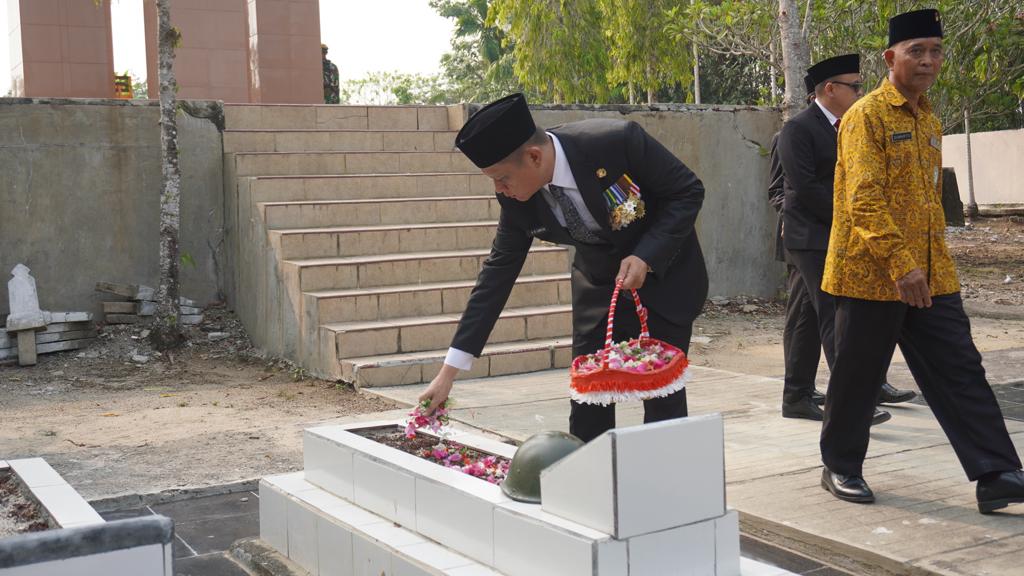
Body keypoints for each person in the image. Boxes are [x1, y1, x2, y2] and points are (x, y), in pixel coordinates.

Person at [819, 8, 1024, 513]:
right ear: (891, 58)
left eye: (935, 50)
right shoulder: (866, 115)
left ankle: (996, 472)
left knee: (961, 369)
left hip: (931, 273)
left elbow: (929, 201)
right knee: (858, 376)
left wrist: (927, 265)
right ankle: (841, 465)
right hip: (872, 275)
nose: (928, 60)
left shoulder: (929, 117)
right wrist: (900, 264)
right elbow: (863, 198)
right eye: (917, 51)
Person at [418, 93, 708, 442]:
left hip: (665, 280)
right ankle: (590, 485)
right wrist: (449, 372)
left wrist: (646, 255)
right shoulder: (516, 199)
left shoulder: (615, 142)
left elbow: (687, 191)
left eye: (502, 178)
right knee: (588, 402)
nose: (499, 190)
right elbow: (498, 271)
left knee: (663, 400)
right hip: (599, 287)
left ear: (535, 157)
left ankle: (665, 488)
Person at [778, 55, 914, 423]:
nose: (860, 91)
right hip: (812, 237)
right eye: (854, 86)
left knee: (806, 317)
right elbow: (805, 187)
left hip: (841, 234)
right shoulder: (798, 129)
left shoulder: (851, 125)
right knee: (834, 316)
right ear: (829, 89)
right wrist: (852, 218)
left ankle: (798, 395)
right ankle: (853, 402)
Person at [769, 74, 826, 418]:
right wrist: (792, 217)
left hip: (825, 237)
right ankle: (798, 392)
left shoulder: (839, 134)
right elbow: (777, 189)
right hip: (799, 238)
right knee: (804, 315)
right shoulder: (788, 136)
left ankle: (804, 390)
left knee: (814, 316)